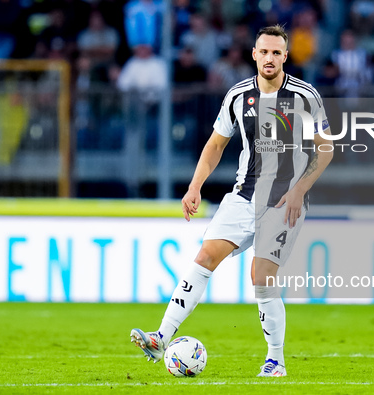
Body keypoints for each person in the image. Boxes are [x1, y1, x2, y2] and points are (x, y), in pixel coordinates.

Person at [130, 25, 333, 377]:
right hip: (244, 194)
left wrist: (300, 190)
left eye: (276, 53)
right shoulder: (238, 96)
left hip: (285, 199)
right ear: (254, 54)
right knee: (206, 256)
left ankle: (275, 360)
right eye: (263, 52)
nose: (269, 58)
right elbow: (215, 144)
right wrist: (195, 186)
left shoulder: (304, 96)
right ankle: (161, 337)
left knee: (261, 276)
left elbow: (326, 147)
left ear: (285, 57)